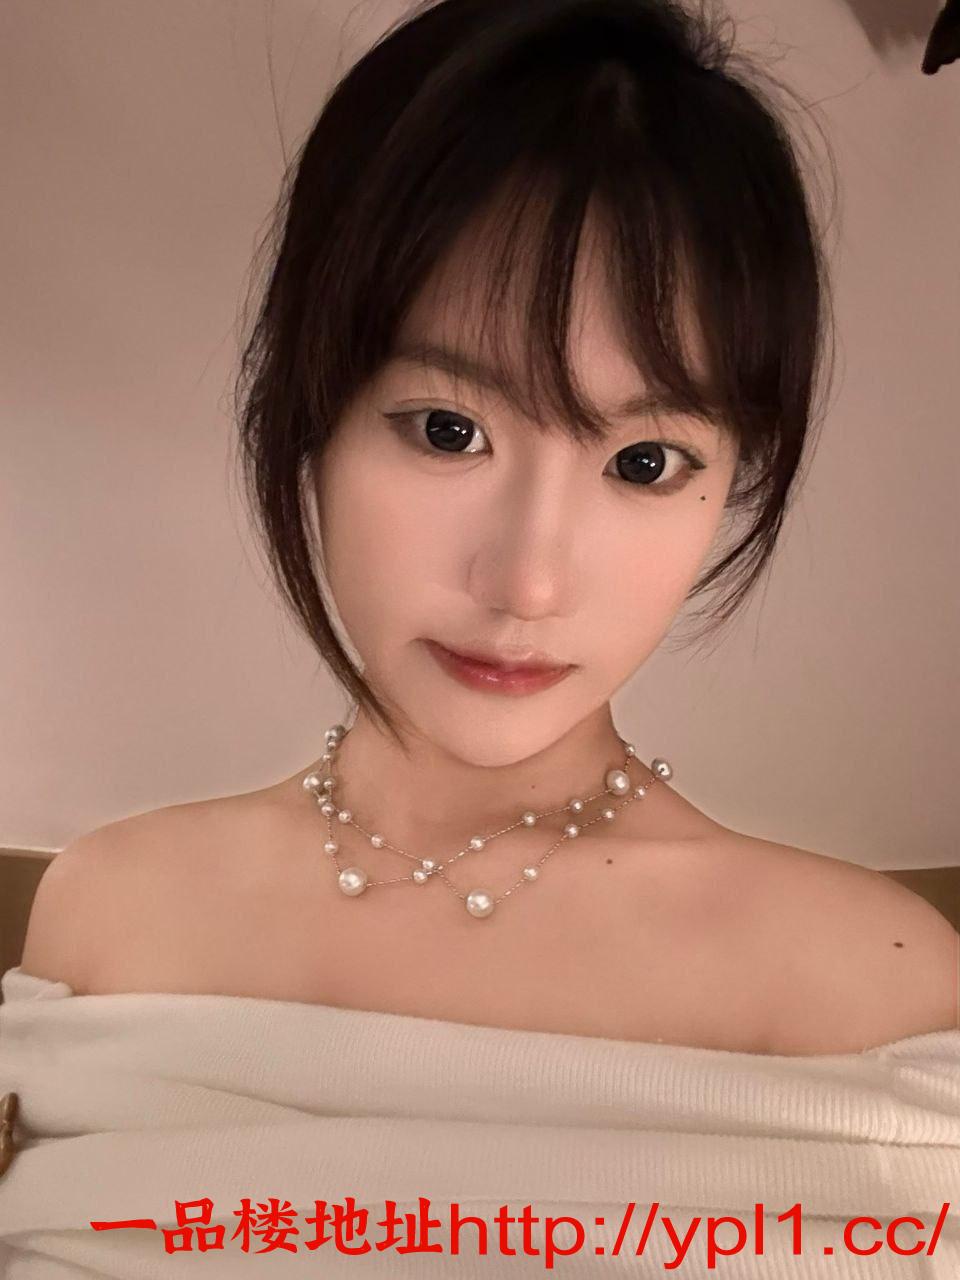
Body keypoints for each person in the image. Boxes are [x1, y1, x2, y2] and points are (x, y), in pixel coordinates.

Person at [2, 1, 958, 1275]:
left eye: (645, 460)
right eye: (448, 429)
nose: (528, 580)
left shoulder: (873, 996)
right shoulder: (106, 922)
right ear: (310, 404)